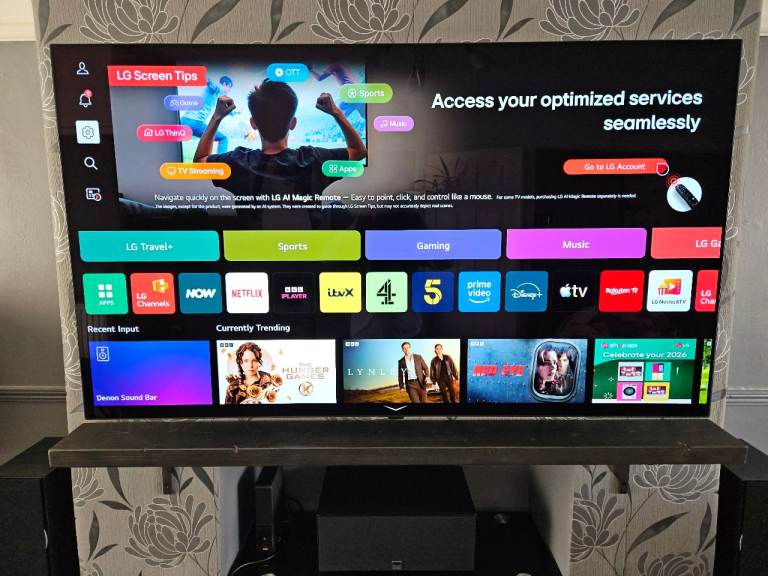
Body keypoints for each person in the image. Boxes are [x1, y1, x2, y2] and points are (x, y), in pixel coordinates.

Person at [194, 79, 367, 199]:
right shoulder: (314, 159)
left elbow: (200, 160)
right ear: (293, 123)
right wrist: (336, 112)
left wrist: (216, 117)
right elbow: (359, 151)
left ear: (253, 124)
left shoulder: (237, 162)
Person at [181, 75, 233, 153]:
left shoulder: (218, 95)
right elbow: (212, 85)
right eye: (229, 87)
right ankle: (221, 160)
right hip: (196, 123)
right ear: (224, 84)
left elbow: (227, 107)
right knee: (223, 139)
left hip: (182, 121)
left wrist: (235, 112)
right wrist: (207, 80)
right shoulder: (215, 88)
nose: (229, 90)